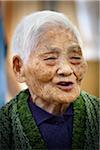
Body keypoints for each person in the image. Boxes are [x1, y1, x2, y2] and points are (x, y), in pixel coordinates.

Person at [0, 10, 99, 150]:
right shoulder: (5, 125)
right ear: (19, 67)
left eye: (75, 57)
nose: (67, 70)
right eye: (50, 58)